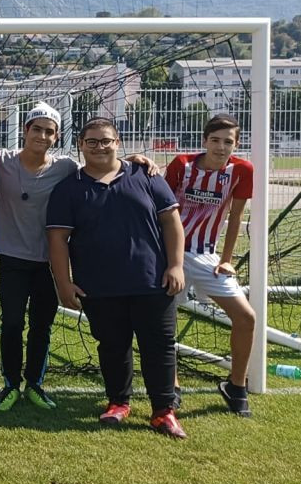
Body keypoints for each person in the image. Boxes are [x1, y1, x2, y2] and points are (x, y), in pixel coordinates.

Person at [46, 117, 188, 439]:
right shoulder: (68, 188)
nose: (99, 147)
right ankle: (118, 402)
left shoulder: (145, 175)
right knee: (112, 345)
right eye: (92, 141)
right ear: (81, 145)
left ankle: (163, 411)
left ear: (118, 143)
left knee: (159, 346)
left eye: (106, 141)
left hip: (152, 281)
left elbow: (171, 222)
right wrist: (63, 283)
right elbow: (57, 240)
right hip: (99, 285)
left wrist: (176, 266)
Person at [164, 115, 256, 416]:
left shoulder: (242, 170)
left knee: (246, 317)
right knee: (164, 320)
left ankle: (236, 386)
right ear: (204, 141)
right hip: (170, 255)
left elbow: (236, 217)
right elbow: (161, 207)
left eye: (228, 141)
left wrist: (227, 259)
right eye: (215, 140)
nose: (220, 147)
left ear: (236, 144)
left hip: (206, 255)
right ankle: (171, 386)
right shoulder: (182, 164)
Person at [0, 103, 78, 412]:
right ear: (25, 130)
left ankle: (35, 384)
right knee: (12, 322)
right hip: (12, 259)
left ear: (56, 136)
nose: (42, 135)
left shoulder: (66, 167)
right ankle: (11, 384)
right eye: (36, 129)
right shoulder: (1, 161)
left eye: (49, 131)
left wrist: (137, 160)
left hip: (49, 262)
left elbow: (101, 167)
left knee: (42, 325)